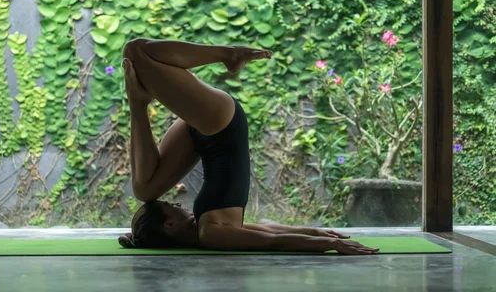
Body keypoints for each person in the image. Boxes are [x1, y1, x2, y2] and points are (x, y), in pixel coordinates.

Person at [118, 38, 379, 255]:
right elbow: (271, 238)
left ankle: (140, 104)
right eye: (173, 207)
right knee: (136, 51)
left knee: (145, 189)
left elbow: (269, 231)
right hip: (221, 125)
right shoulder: (211, 233)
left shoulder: (209, 229)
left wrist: (318, 234)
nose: (180, 205)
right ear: (171, 224)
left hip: (205, 132)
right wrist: (327, 241)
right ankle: (223, 57)